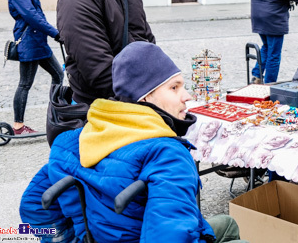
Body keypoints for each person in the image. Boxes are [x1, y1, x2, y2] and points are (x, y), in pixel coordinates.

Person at [19, 42, 248, 243]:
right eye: (174, 87)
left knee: (228, 223)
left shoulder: (73, 141)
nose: (186, 95)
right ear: (146, 97)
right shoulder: (167, 153)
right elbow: (170, 236)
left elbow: (33, 205)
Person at [7, 0, 63, 135]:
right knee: (25, 84)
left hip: (38, 40)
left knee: (58, 75)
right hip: (29, 41)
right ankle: (18, 126)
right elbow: (31, 16)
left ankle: (56, 114)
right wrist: (55, 33)